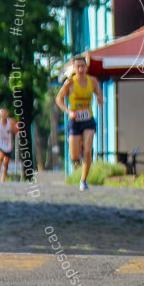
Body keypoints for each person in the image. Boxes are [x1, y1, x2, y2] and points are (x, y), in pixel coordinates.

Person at [55, 55, 104, 191]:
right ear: (74, 68)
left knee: (88, 149)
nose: (81, 69)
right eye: (78, 67)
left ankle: (83, 180)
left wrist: (100, 98)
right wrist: (68, 111)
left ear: (86, 67)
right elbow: (58, 99)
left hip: (88, 120)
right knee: (74, 155)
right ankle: (79, 162)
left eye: (83, 66)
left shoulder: (92, 81)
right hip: (75, 121)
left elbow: (98, 93)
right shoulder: (70, 83)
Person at [0, 109, 18, 183]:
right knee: (0, 155)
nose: (4, 115)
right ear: (0, 115)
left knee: (6, 161)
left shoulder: (10, 122)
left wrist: (16, 131)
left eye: (5, 114)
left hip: (8, 144)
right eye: (2, 114)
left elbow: (16, 130)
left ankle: (4, 176)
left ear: (7, 114)